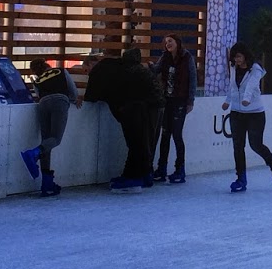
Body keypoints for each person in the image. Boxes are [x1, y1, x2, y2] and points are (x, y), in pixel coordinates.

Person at [83, 47, 157, 190]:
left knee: (135, 143)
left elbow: (90, 96)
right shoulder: (117, 65)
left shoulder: (98, 71)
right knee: (141, 142)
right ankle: (143, 174)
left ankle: (133, 177)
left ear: (91, 64)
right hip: (142, 105)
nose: (87, 75)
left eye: (86, 71)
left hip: (128, 108)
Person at [222, 42, 272, 192]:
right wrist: (228, 101)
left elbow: (251, 86)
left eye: (239, 57)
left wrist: (247, 99)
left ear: (246, 56)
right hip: (236, 112)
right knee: (238, 146)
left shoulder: (256, 69)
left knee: (255, 144)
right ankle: (241, 178)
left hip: (254, 113)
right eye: (235, 57)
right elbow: (232, 86)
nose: (237, 60)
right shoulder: (234, 67)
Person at [22, 57, 80, 196]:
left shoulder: (37, 81)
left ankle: (46, 184)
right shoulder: (61, 72)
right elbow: (73, 92)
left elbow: (38, 95)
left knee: (46, 140)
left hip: (43, 105)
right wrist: (73, 100)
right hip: (60, 101)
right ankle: (33, 153)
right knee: (55, 139)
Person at [151, 35, 196, 183]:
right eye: (166, 42)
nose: (168, 43)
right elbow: (156, 70)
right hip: (167, 100)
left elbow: (192, 78)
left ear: (177, 42)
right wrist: (150, 66)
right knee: (165, 134)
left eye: (171, 41)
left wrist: (190, 100)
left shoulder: (186, 57)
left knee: (176, 134)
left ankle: (179, 169)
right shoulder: (165, 57)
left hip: (180, 100)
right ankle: (161, 168)